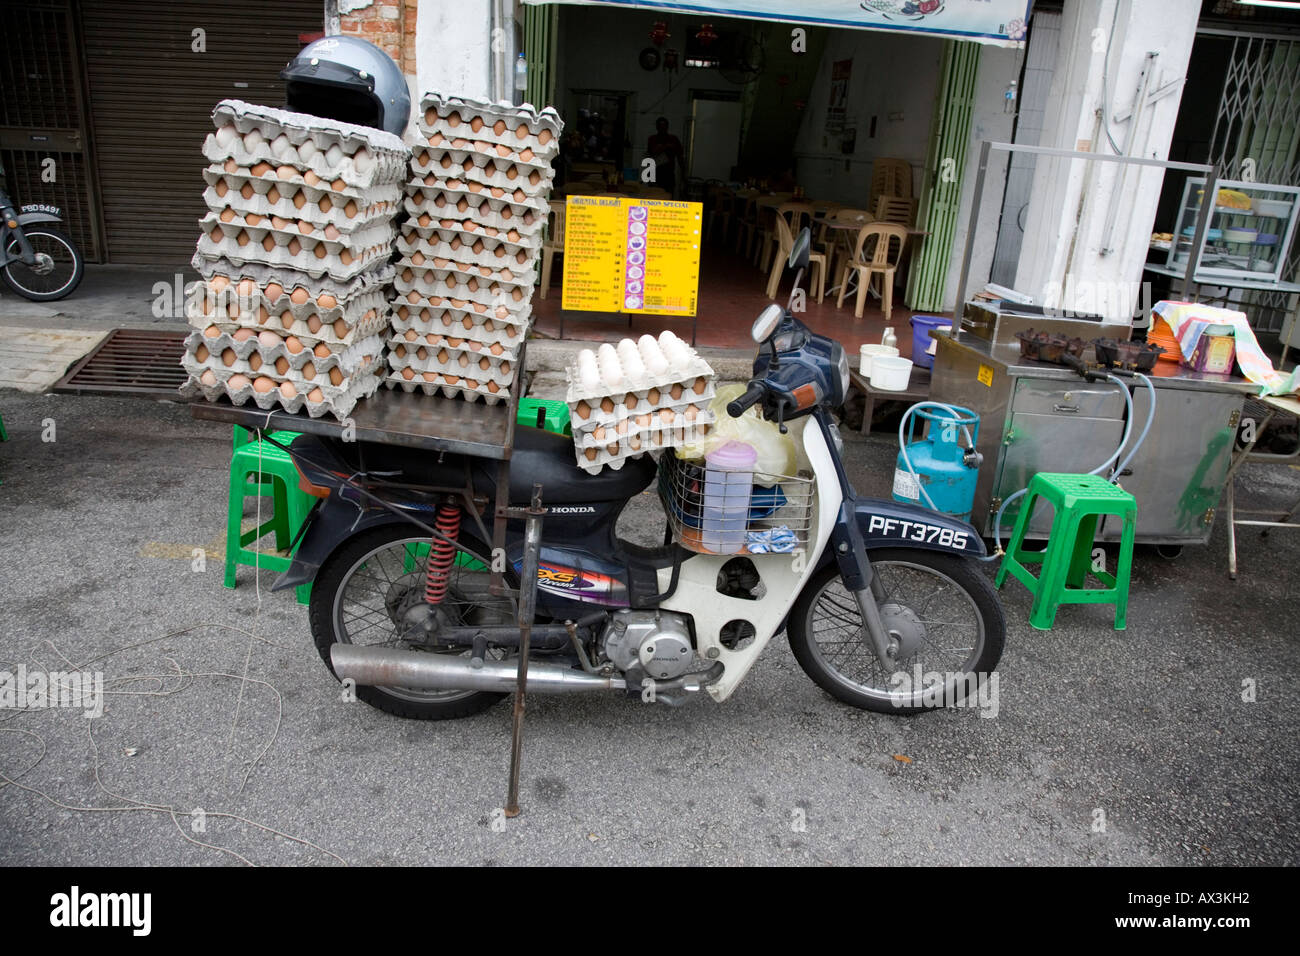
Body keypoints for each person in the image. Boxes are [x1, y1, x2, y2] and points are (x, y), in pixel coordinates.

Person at [646, 116, 685, 197]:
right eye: (660, 126)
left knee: (668, 198)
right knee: (654, 198)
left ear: (667, 127)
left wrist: (684, 174)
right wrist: (666, 146)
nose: (662, 128)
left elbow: (680, 157)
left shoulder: (673, 139)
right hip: (654, 174)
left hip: (669, 175)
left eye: (664, 126)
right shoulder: (652, 139)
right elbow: (652, 152)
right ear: (657, 127)